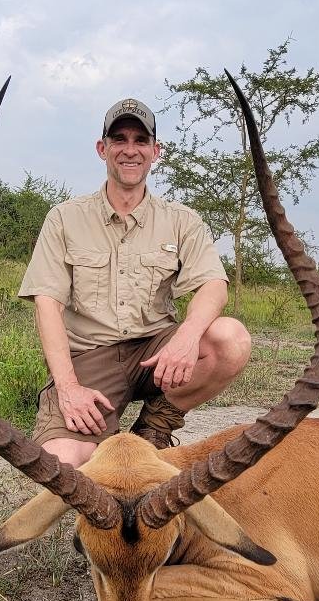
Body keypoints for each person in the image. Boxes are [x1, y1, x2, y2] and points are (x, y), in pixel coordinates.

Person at [18, 97, 251, 467]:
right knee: (59, 464)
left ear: (155, 151)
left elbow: (213, 285)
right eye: (120, 139)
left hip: (155, 353)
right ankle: (97, 433)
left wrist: (188, 338)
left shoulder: (182, 220)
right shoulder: (64, 218)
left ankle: (155, 428)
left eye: (141, 140)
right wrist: (68, 388)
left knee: (231, 338)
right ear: (102, 148)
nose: (130, 150)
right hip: (90, 357)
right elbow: (47, 303)